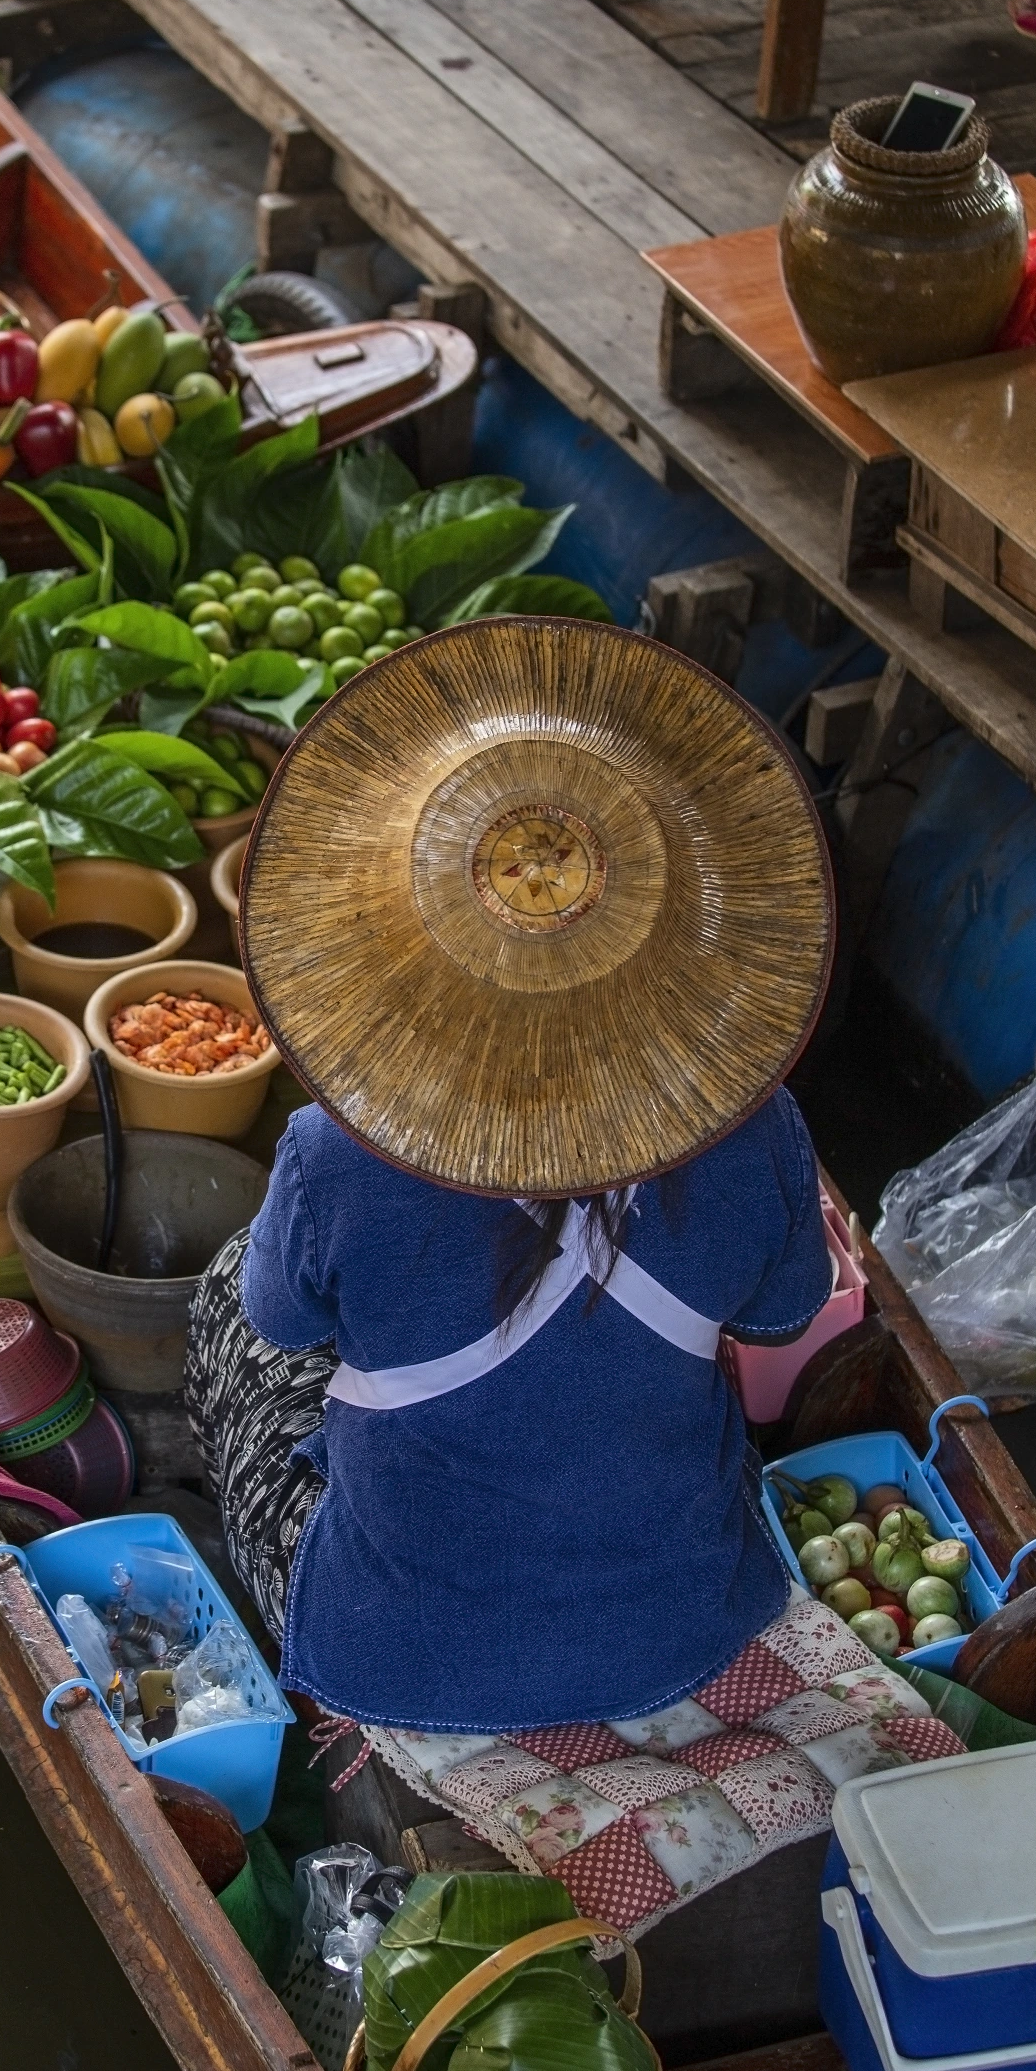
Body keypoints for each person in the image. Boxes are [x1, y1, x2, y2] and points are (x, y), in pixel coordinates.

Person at [184, 614, 839, 1738]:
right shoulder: (757, 1124)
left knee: (227, 1304)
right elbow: (784, 1317)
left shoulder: (335, 1153)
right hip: (684, 1623)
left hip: (411, 1652)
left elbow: (281, 1322)